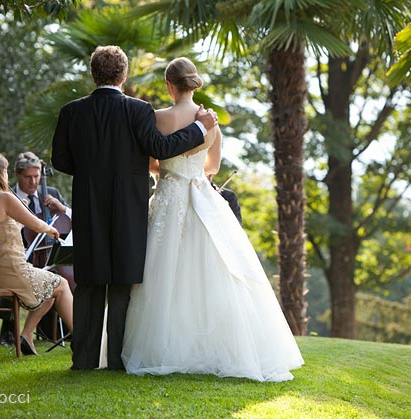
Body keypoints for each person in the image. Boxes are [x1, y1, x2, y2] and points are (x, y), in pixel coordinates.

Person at [121, 57, 304, 382]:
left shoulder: (158, 117)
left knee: (163, 273)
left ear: (169, 85)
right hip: (201, 196)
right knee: (211, 271)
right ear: (193, 84)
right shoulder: (211, 123)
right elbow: (213, 167)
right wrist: (192, 167)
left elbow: (153, 161)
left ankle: (163, 346)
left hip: (167, 197)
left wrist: (169, 170)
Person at [51, 45, 218, 371]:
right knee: (122, 283)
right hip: (129, 206)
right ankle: (117, 360)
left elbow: (61, 160)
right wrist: (199, 128)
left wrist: (90, 173)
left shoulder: (71, 111)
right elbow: (161, 147)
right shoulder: (138, 111)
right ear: (124, 75)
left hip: (88, 206)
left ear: (93, 73)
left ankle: (83, 361)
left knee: (89, 284)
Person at [0, 153, 74, 356]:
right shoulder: (5, 197)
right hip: (12, 271)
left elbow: (1, 230)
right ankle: (82, 338)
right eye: (6, 171)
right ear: (0, 173)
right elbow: (34, 223)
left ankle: (26, 336)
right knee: (61, 284)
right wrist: (49, 229)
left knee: (50, 289)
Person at [0, 151, 73, 346]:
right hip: (23, 256)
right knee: (17, 271)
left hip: (51, 255)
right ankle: (8, 326)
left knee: (69, 275)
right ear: (17, 175)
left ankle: (68, 324)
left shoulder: (51, 193)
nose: (33, 182)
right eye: (28, 177)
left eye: (36, 177)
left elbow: (72, 220)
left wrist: (63, 209)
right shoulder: (9, 196)